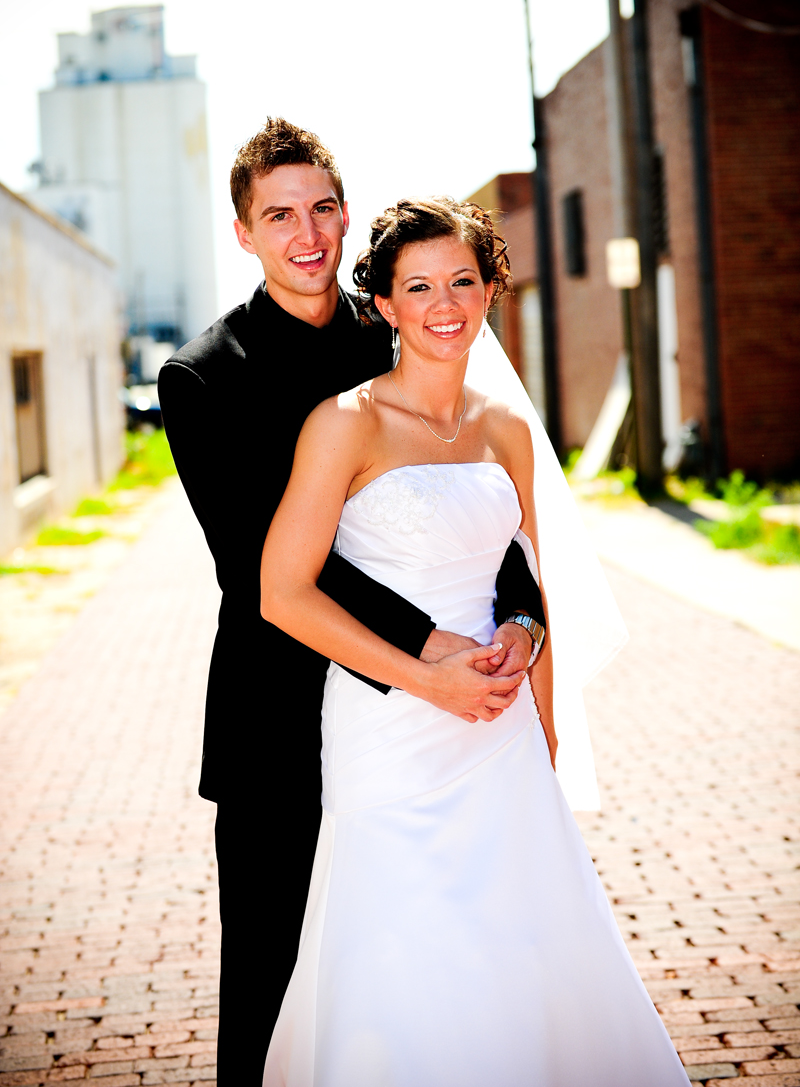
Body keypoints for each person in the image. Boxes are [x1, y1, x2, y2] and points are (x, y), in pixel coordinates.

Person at [260, 197, 690, 1086]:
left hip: (501, 729)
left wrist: (532, 655)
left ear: (492, 289)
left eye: (462, 280)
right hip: (389, 728)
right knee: (404, 947)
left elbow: (529, 577)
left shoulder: (502, 425)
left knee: (520, 936)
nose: (443, 302)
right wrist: (426, 680)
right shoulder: (344, 423)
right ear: (383, 304)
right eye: (417, 286)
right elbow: (283, 595)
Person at [158, 120, 542, 1085]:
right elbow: (264, 568)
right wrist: (428, 651)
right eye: (278, 214)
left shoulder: (404, 332)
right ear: (243, 232)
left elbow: (481, 497)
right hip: (280, 731)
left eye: (323, 208)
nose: (307, 233)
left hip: (433, 729)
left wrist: (519, 616)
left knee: (426, 974)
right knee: (278, 991)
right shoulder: (204, 376)